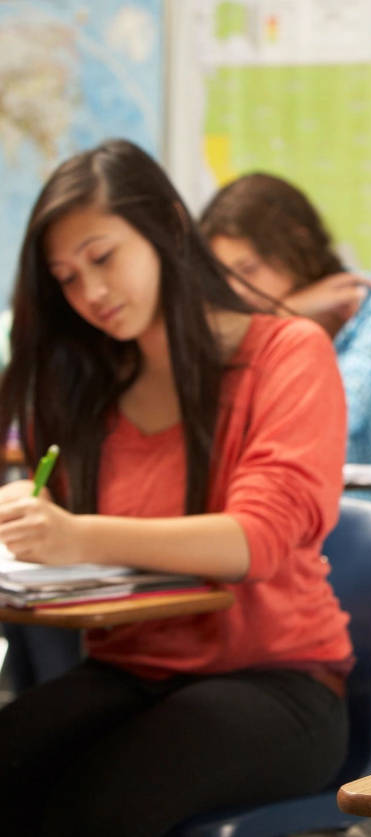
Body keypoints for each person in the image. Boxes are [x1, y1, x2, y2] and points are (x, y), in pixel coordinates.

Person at [0, 140, 350, 835]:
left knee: (98, 803)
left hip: (279, 683)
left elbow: (256, 538)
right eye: (67, 277)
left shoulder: (288, 353)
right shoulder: (89, 385)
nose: (91, 293)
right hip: (129, 671)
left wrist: (75, 534)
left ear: (165, 224)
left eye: (103, 258)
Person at [201, 173, 371, 636]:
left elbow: (328, 418)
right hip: (305, 542)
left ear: (296, 246)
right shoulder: (239, 330)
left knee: (265, 583)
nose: (237, 292)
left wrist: (282, 322)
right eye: (224, 277)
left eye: (249, 270)